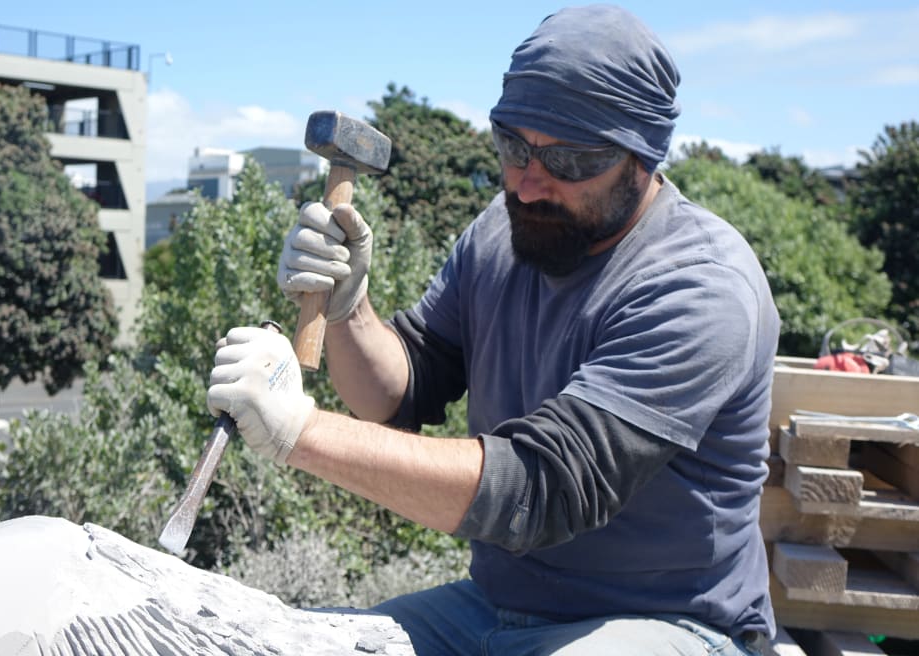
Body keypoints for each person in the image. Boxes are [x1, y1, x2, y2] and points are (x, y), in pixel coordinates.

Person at [206, 5, 780, 655]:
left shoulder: (701, 286)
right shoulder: (501, 232)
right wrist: (348, 309)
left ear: (641, 157)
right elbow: (400, 394)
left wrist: (295, 431)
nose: (528, 182)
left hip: (668, 621)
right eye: (513, 145)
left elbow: (545, 488)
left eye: (566, 158)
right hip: (493, 604)